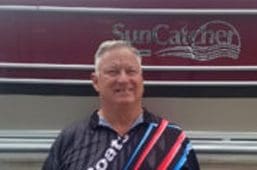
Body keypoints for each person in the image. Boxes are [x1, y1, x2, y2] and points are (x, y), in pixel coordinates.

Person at [42, 40, 200, 170]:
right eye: (113, 72)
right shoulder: (70, 139)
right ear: (95, 81)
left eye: (131, 71)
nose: (123, 80)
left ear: (141, 79)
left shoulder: (172, 138)